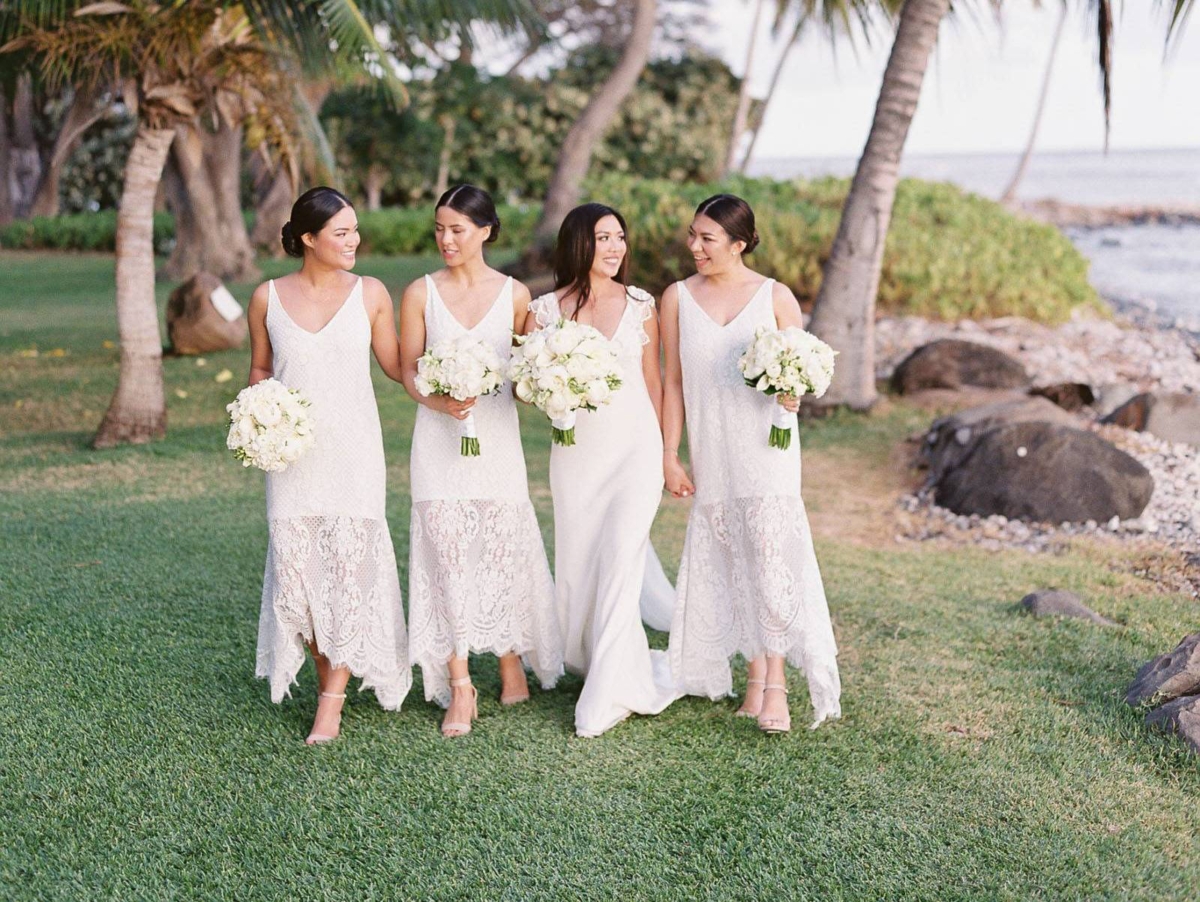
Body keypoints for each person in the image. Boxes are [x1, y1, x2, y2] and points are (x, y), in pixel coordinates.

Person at [661, 193, 841, 734]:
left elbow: (803, 368)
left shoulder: (774, 296)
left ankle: (777, 687)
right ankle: (755, 677)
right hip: (712, 448)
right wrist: (669, 455)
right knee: (731, 553)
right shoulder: (676, 297)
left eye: (706, 239)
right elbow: (672, 383)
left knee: (769, 554)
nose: (694, 246)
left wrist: (794, 398)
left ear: (738, 244)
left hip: (767, 448)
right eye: (692, 234)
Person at [247, 186, 412, 744]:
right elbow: (259, 370)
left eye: (355, 230)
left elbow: (396, 367)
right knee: (302, 577)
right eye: (341, 232)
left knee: (348, 569)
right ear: (309, 238)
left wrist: (450, 385)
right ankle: (327, 678)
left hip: (354, 451)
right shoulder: (266, 297)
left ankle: (332, 699)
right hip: (292, 458)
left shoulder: (370, 293)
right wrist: (258, 415)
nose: (354, 241)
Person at [400, 185, 561, 738]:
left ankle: (511, 659)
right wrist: (442, 398)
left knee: (500, 548)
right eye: (439, 229)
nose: (446, 239)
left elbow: (522, 379)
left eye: (457, 230)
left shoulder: (516, 295)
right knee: (445, 556)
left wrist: (540, 380)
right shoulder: (420, 293)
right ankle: (461, 683)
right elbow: (407, 372)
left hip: (496, 443)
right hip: (437, 444)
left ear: (486, 231)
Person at [524, 202, 679, 738]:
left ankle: (611, 693)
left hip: (635, 449)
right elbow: (527, 388)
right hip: (576, 455)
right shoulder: (543, 312)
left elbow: (654, 382)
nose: (615, 248)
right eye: (603, 238)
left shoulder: (642, 305)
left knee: (621, 559)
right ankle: (591, 658)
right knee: (580, 560)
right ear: (578, 244)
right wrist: (554, 392)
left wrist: (667, 455)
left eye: (619, 238)